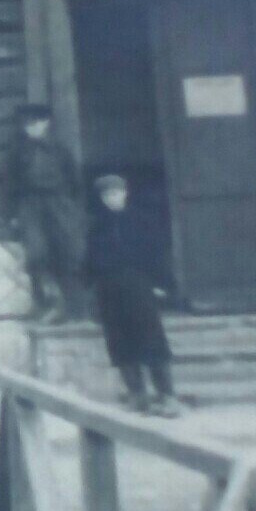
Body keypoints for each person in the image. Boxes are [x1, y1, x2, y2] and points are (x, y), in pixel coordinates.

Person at [86, 173, 181, 418]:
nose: (112, 199)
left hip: (139, 286)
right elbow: (89, 262)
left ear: (125, 193)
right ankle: (137, 395)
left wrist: (162, 283)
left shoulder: (142, 221)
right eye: (107, 195)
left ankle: (167, 395)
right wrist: (92, 288)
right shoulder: (96, 227)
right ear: (101, 198)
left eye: (116, 193)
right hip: (109, 289)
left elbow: (157, 254)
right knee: (120, 341)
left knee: (151, 337)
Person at [2, 102, 86, 323]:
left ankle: (75, 308)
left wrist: (73, 210)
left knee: (69, 252)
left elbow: (75, 181)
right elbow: (9, 185)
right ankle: (47, 303)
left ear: (46, 124)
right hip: (29, 206)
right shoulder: (17, 152)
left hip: (59, 204)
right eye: (27, 124)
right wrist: (12, 215)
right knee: (37, 253)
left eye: (36, 123)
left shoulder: (60, 150)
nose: (31, 128)